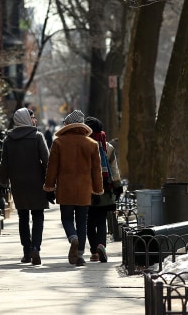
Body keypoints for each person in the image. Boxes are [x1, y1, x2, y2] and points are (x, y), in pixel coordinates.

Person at [43, 110, 103, 266]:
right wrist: (97, 190)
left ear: (68, 125)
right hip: (84, 190)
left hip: (65, 189)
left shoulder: (59, 143)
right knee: (82, 222)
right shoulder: (92, 144)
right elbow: (96, 170)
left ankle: (72, 237)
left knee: (67, 218)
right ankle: (80, 255)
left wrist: (49, 187)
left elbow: (52, 168)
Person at [0, 107, 51, 265]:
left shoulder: (8, 139)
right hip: (37, 183)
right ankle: (35, 247)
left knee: (23, 217)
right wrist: (50, 183)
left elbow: (4, 164)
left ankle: (26, 252)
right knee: (38, 216)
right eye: (32, 117)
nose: (34, 120)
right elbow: (47, 161)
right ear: (26, 119)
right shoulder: (37, 136)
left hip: (18, 184)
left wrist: (3, 182)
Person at [84, 116, 123, 263]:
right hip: (104, 190)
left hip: (87, 191)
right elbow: (114, 169)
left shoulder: (84, 146)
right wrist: (118, 187)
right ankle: (102, 245)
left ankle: (94, 251)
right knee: (101, 221)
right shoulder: (108, 147)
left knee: (89, 222)